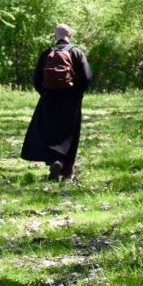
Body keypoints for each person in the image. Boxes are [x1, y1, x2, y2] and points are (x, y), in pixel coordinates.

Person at [20, 24, 93, 181]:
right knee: (70, 133)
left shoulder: (47, 53)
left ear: (55, 36)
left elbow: (36, 79)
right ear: (70, 35)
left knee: (51, 131)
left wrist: (45, 93)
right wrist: (76, 93)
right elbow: (87, 77)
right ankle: (67, 172)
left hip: (49, 98)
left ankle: (55, 161)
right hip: (70, 99)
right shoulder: (76, 52)